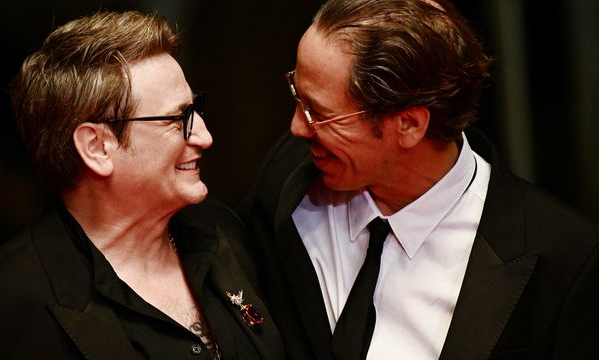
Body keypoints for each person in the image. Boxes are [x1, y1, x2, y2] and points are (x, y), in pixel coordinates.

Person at [238, 0, 599, 359]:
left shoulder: (564, 259)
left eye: (319, 112)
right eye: (298, 96)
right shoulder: (287, 176)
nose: (297, 127)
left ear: (409, 125)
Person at [0, 10, 284, 359]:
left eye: (197, 109)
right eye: (178, 119)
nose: (204, 136)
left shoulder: (224, 234)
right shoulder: (2, 312)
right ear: (97, 147)